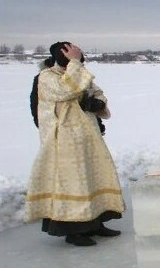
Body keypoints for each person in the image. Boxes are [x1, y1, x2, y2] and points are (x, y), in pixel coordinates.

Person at [24, 42, 124, 246]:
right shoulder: (47, 77)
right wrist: (75, 62)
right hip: (65, 142)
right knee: (74, 184)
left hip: (88, 137)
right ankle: (74, 231)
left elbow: (96, 91)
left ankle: (96, 223)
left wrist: (98, 103)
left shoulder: (78, 72)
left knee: (93, 177)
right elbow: (67, 90)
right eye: (74, 58)